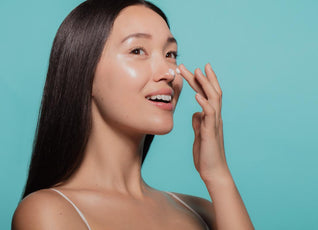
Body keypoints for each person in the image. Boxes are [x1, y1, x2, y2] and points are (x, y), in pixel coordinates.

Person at [12, 0, 254, 229]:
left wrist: (217, 175)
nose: (169, 72)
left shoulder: (203, 212)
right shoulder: (47, 212)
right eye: (138, 51)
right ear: (83, 73)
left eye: (170, 54)